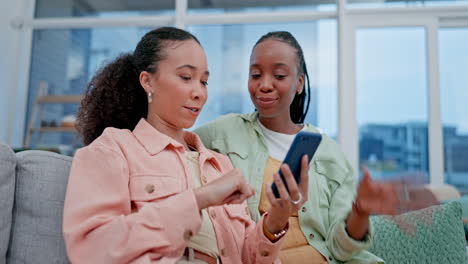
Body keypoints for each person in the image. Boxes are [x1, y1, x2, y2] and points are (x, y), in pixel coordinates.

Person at [62, 27, 308, 264]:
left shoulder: (219, 165)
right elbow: (91, 249)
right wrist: (199, 199)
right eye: (186, 78)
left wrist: (275, 220)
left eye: (204, 82)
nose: (199, 92)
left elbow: (247, 256)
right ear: (148, 82)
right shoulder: (113, 149)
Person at [195, 31, 399, 264]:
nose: (264, 85)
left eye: (279, 75)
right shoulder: (224, 132)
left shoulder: (328, 152)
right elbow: (171, 147)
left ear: (299, 83)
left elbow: (342, 250)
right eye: (255, 74)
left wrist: (360, 212)